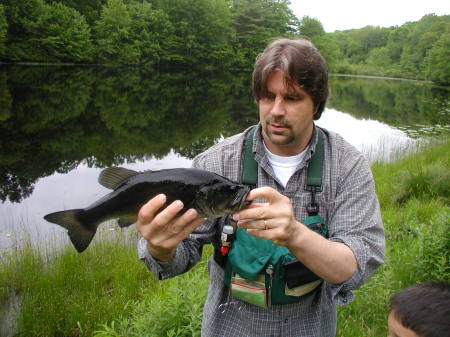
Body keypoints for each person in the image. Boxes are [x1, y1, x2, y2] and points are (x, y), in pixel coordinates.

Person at [136, 38, 385, 336]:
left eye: (292, 98)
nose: (276, 111)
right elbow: (183, 253)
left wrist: (295, 234)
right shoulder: (216, 162)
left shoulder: (346, 165)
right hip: (229, 327)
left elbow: (357, 263)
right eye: (267, 96)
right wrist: (160, 248)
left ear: (316, 103)